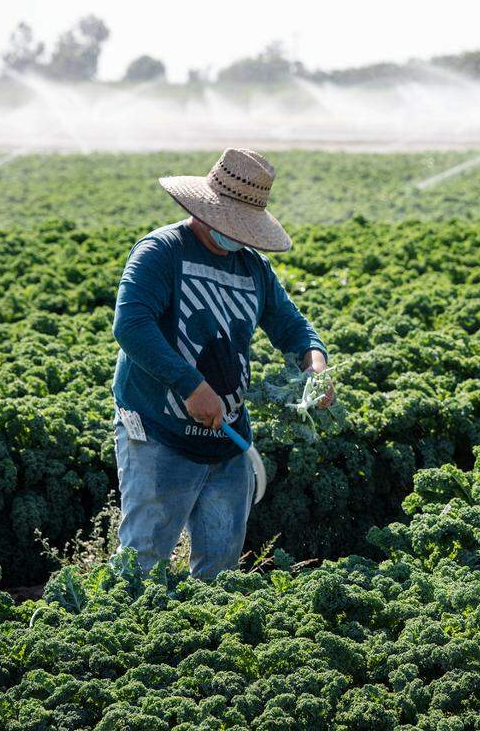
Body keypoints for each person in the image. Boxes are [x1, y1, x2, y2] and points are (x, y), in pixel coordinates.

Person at [111, 148, 332, 578]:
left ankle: (201, 638)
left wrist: (316, 369)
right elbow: (131, 325)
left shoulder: (254, 269)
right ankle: (130, 637)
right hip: (159, 432)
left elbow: (295, 330)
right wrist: (191, 386)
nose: (237, 236)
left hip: (227, 440)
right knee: (141, 562)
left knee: (220, 566)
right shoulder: (162, 252)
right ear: (205, 209)